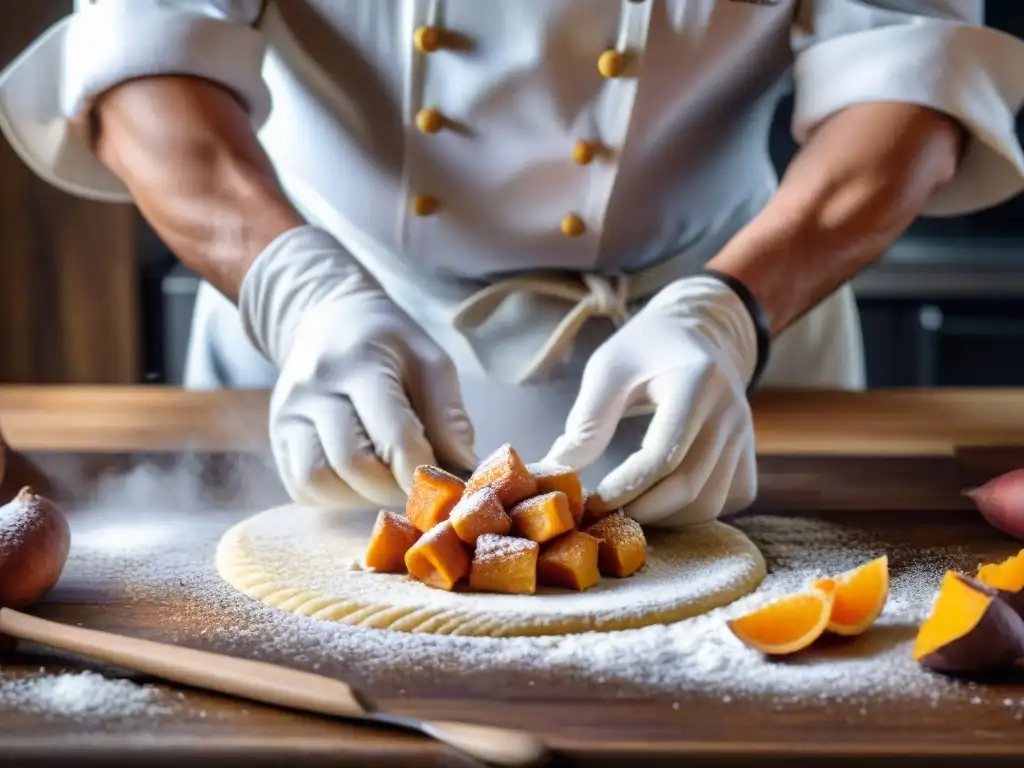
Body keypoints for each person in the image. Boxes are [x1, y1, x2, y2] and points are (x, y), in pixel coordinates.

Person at [1, 1, 1022, 527]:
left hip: (728, 328)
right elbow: (138, 61)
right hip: (322, 336)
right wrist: (296, 291)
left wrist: (729, 309)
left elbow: (910, 72)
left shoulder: (731, 315)